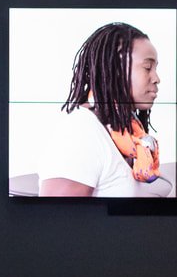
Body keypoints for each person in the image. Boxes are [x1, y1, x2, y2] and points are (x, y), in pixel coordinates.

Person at [38, 21, 166, 197]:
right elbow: (56, 220)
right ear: (116, 69)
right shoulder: (79, 134)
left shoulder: (126, 131)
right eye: (147, 67)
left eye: (155, 68)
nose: (157, 78)